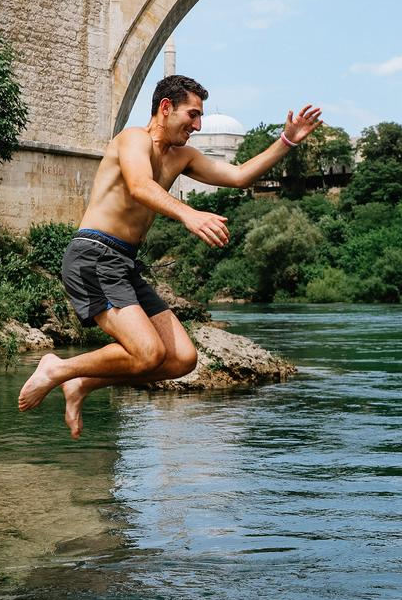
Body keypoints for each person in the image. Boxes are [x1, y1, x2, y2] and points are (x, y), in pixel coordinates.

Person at [18, 75, 323, 437]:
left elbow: (239, 175)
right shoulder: (133, 139)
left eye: (200, 118)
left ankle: (82, 384)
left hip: (124, 263)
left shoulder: (182, 157)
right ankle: (57, 368)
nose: (198, 125)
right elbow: (139, 185)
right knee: (147, 352)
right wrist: (189, 214)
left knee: (181, 359)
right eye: (192, 115)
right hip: (94, 255)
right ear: (166, 108)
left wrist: (286, 140)